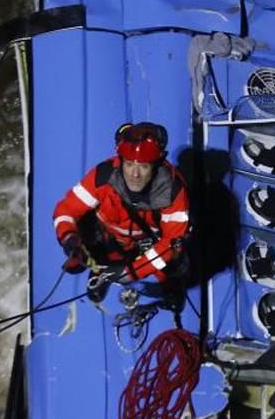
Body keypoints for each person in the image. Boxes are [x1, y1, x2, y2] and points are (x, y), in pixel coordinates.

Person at [52, 122, 190, 303]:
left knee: (175, 262)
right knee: (94, 242)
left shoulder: (173, 191)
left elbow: (170, 244)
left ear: (155, 166)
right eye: (130, 164)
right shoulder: (102, 176)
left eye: (144, 166)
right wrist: (68, 236)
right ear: (121, 161)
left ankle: (170, 289)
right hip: (109, 235)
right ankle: (101, 271)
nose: (135, 174)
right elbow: (66, 209)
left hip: (148, 242)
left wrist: (132, 272)